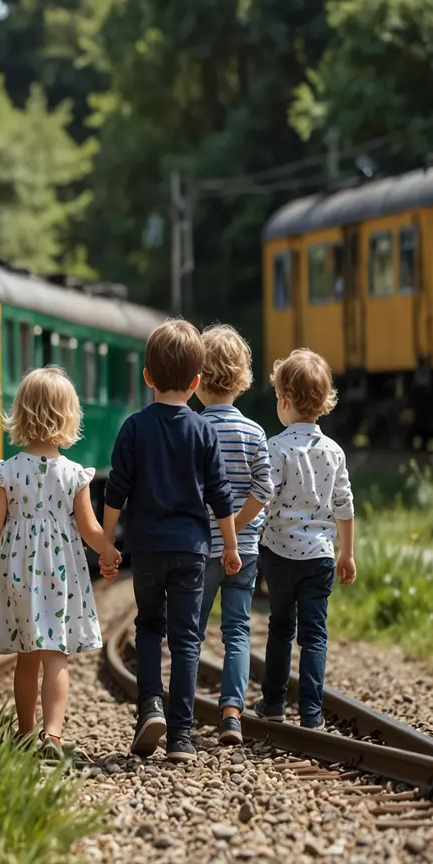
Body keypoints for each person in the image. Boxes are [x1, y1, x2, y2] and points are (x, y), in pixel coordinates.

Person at [103, 318, 240, 762]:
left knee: (147, 626)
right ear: (197, 382)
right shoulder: (203, 430)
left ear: (147, 377)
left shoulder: (133, 428)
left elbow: (115, 491)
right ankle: (181, 737)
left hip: (146, 548)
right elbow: (220, 495)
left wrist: (107, 543)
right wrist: (232, 545)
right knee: (185, 641)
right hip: (192, 551)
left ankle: (149, 709)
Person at [0, 365, 120, 758]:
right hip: (61, 571)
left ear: (20, 413)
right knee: (58, 655)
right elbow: (88, 527)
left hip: (19, 567)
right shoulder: (74, 474)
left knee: (27, 655)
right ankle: (52, 736)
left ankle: (24, 734)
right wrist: (107, 551)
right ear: (69, 417)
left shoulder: (8, 471)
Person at [235, 348, 357, 729]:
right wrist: (347, 554)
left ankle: (272, 703)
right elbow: (344, 506)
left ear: (285, 402)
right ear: (324, 404)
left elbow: (262, 495)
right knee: (314, 636)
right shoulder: (334, 452)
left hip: (279, 555)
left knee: (281, 628)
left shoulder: (277, 447)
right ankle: (311, 713)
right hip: (320, 557)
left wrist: (234, 527)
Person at [195, 324, 274, 747]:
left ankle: (182, 713)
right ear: (242, 378)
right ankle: (231, 714)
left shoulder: (193, 429)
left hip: (202, 548)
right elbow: (265, 488)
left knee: (191, 630)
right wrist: (238, 528)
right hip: (243, 551)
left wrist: (221, 529)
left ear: (197, 380)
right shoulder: (254, 432)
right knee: (238, 631)